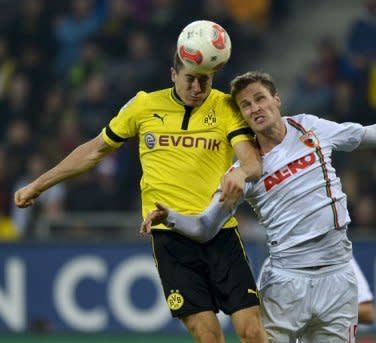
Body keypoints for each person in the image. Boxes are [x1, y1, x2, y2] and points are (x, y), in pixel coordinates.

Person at [140, 71, 376, 342]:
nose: (255, 108)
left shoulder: (309, 127)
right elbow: (204, 227)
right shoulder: (242, 170)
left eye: (259, 98)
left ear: (276, 99)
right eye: (245, 105)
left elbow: (372, 134)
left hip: (339, 277)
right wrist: (170, 218)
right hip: (287, 283)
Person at [14, 51, 269, 342]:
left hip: (221, 232)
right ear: (173, 74)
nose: (198, 89)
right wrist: (39, 184)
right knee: (207, 335)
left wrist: (241, 173)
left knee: (251, 332)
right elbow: (95, 150)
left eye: (205, 81)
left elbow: (251, 161)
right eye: (190, 80)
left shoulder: (225, 106)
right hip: (170, 237)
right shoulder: (144, 105)